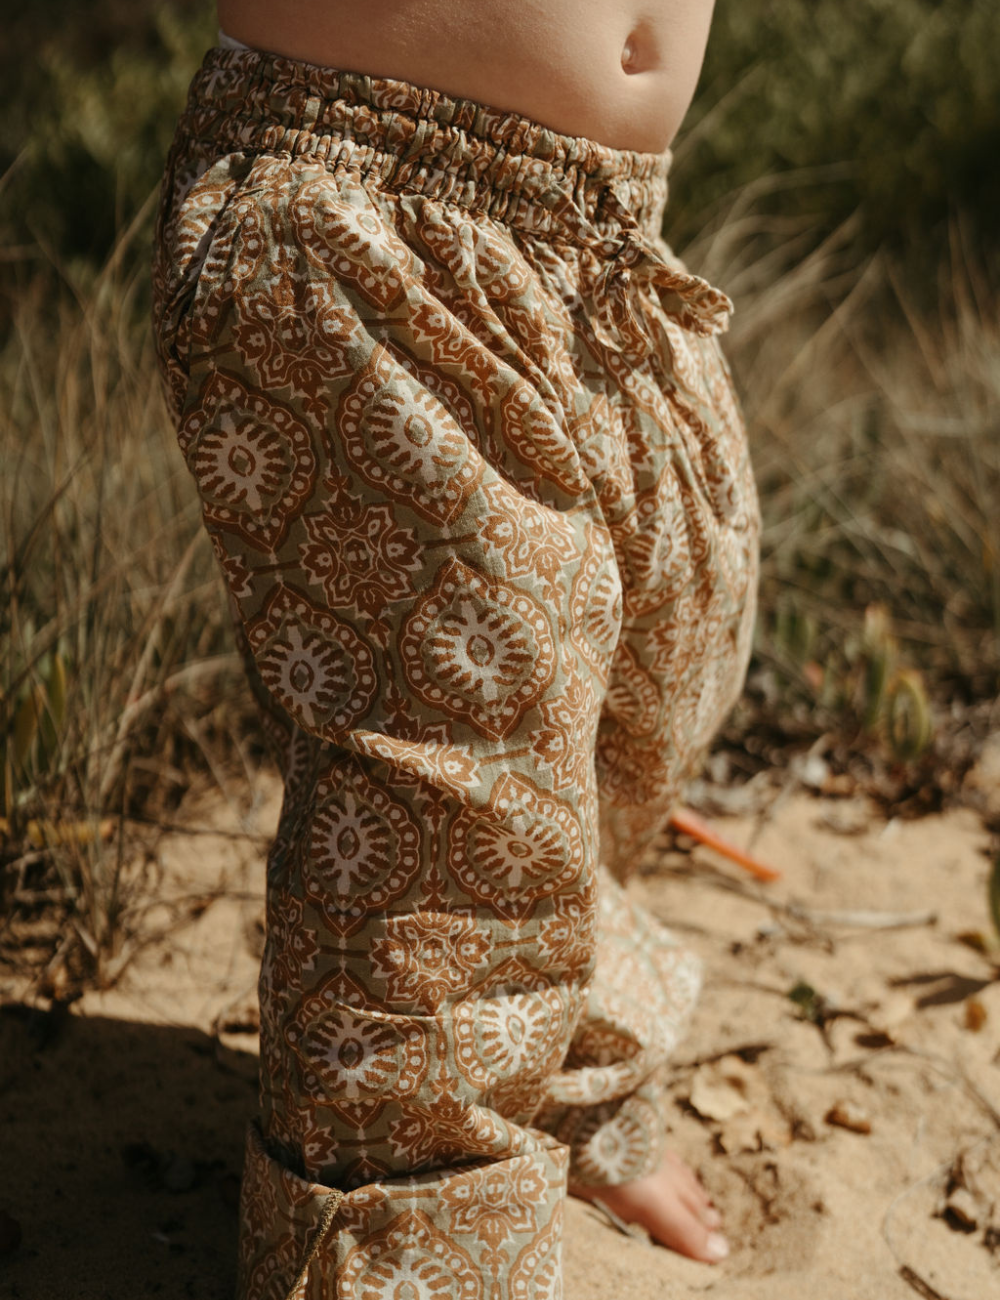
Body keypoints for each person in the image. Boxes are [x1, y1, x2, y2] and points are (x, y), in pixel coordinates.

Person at [151, 2, 759, 1294]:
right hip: (363, 192)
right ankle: (410, 1242)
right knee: (461, 780)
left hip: (606, 225)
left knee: (650, 685)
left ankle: (564, 1071)